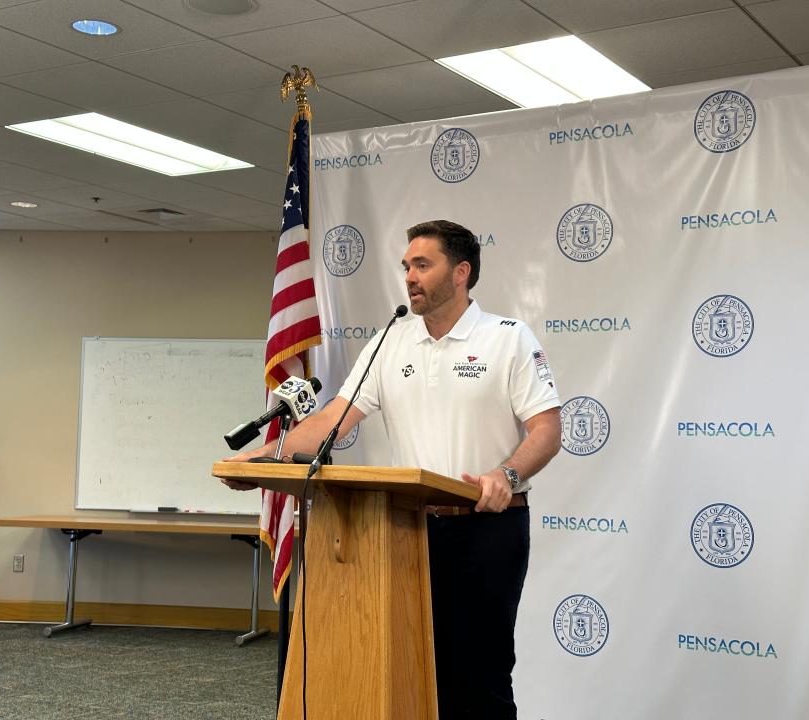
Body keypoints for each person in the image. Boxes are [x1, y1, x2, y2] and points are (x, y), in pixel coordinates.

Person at [224, 219, 561, 719]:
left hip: (487, 529)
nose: (409, 276)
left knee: (478, 675)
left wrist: (504, 475)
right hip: (407, 530)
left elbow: (547, 430)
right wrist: (267, 459)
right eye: (406, 266)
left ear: (461, 272)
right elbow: (333, 419)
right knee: (405, 666)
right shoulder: (392, 341)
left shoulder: (506, 338)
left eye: (423, 265)